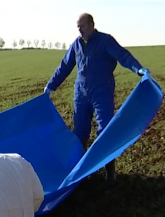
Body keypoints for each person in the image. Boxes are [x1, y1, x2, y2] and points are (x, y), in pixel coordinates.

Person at [44, 13, 150, 181]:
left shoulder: (105, 41)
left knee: (105, 130)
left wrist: (138, 69)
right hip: (81, 93)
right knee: (79, 132)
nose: (80, 29)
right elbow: (65, 65)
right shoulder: (76, 44)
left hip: (102, 91)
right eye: (78, 26)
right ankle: (80, 171)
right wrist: (51, 85)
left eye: (83, 26)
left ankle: (109, 170)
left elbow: (123, 56)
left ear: (92, 25)